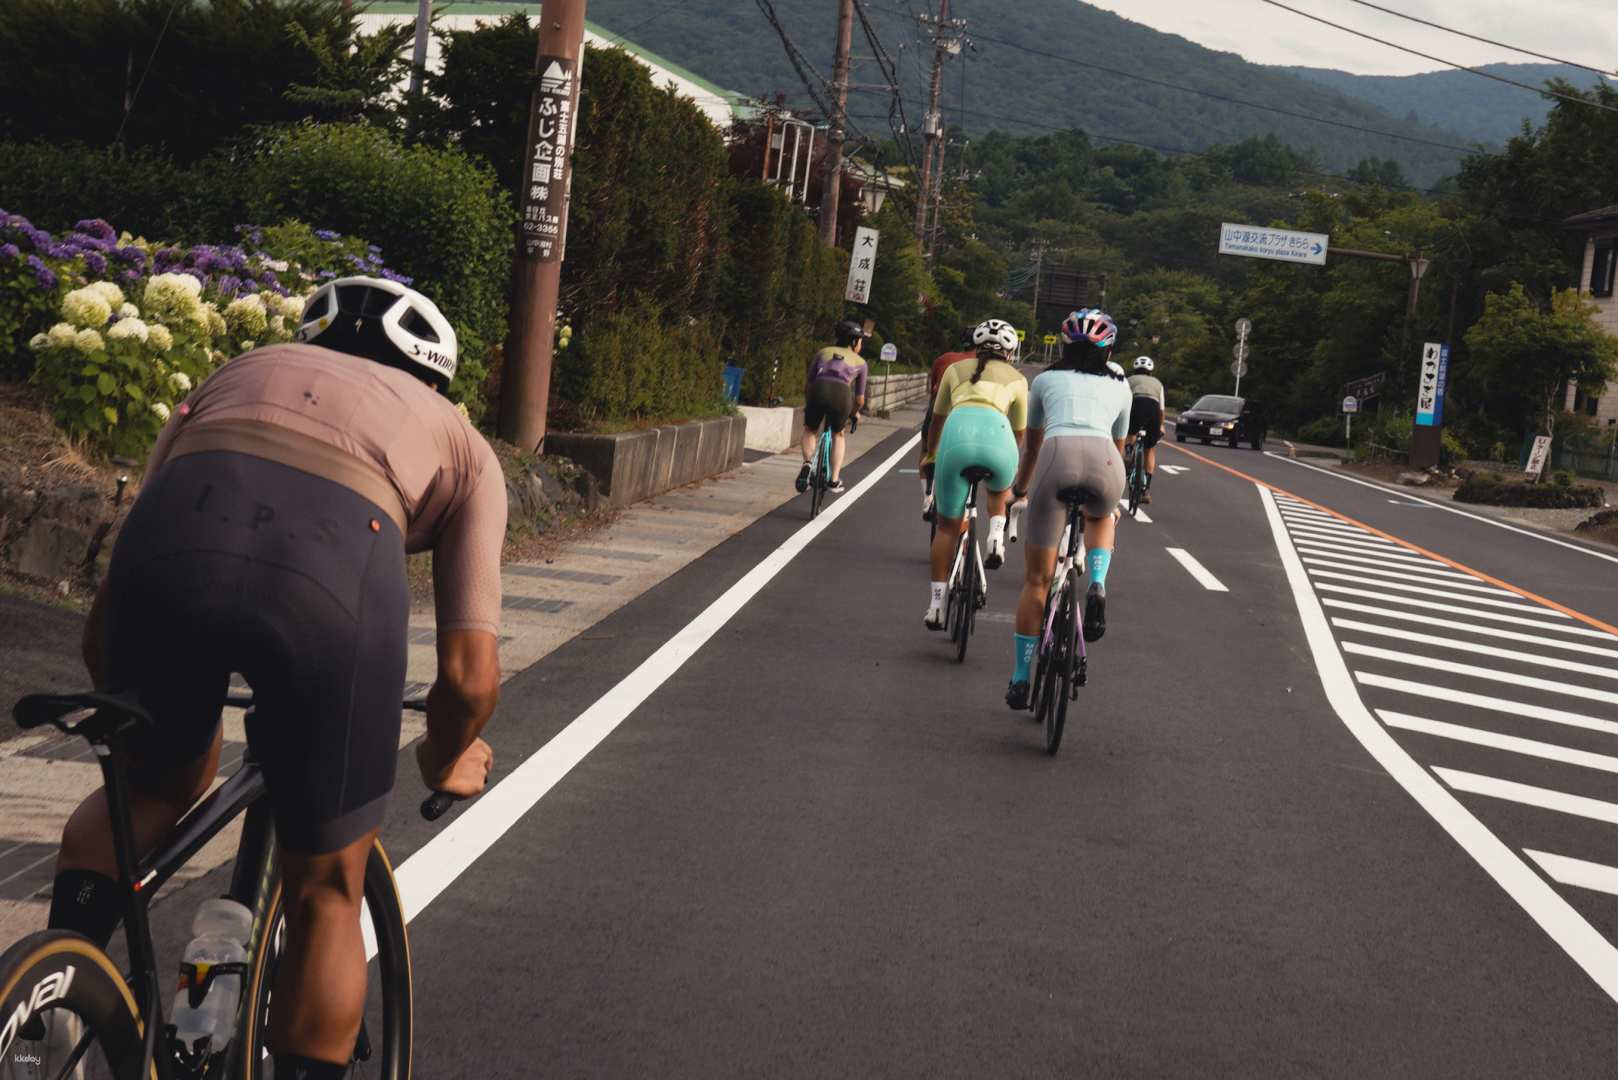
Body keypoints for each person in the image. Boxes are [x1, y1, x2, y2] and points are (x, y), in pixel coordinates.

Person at [50, 277, 504, 1080]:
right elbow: (469, 679)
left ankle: (52, 1003)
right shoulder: (458, 439)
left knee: (152, 789)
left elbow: (105, 624)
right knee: (329, 885)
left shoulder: (231, 376)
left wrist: (159, 743)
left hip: (170, 548)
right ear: (435, 377)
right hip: (336, 577)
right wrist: (443, 756)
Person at [1005, 308, 1132, 709]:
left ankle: (1021, 678)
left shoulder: (1043, 380)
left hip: (1056, 458)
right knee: (1101, 515)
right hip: (1106, 464)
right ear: (1108, 350)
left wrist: (1019, 489)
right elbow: (1120, 447)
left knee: (1037, 581)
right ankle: (1098, 582)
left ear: (1064, 345)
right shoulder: (1122, 389)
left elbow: (1033, 447)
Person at [923, 318, 1029, 630]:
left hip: (956, 436)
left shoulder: (954, 371)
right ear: (1011, 351)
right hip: (998, 439)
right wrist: (1009, 456)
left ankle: (937, 605)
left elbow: (937, 420)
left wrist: (931, 454)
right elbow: (1019, 432)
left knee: (947, 528)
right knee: (997, 491)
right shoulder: (1018, 378)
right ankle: (996, 535)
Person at [796, 319, 869, 495]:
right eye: (860, 340)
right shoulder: (860, 362)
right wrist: (854, 413)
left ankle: (807, 464)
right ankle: (834, 479)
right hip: (841, 395)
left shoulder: (823, 352)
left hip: (818, 390)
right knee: (838, 434)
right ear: (854, 341)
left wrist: (811, 403)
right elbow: (859, 399)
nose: (861, 343)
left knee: (810, 429)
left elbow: (809, 384)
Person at [918, 327, 978, 519]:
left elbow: (933, 392)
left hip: (938, 412)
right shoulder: (984, 364)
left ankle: (927, 495)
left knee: (926, 450)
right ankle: (967, 502)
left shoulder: (943, 359)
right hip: (966, 415)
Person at [1126, 356, 1166, 504]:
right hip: (1154, 410)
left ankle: (1129, 453)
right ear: (1151, 370)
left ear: (1135, 368)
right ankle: (1146, 490)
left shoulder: (1129, 380)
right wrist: (1161, 425)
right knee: (1150, 449)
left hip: (1136, 406)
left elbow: (1124, 401)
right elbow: (1161, 408)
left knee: (1131, 433)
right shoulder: (1158, 383)